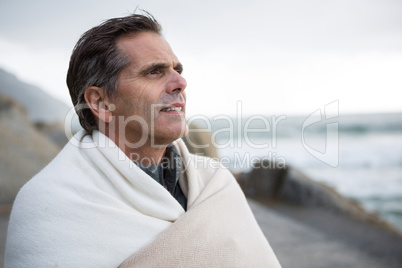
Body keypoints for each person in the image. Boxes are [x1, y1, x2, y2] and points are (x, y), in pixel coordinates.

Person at [5, 12, 281, 267]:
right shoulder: (51, 204)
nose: (179, 83)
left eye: (177, 70)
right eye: (154, 72)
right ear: (100, 102)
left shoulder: (215, 184)